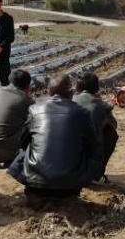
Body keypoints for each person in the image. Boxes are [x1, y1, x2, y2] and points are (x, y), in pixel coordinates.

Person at [7, 75, 100, 204]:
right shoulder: (82, 113)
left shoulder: (35, 109)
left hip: (36, 183)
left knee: (29, 146)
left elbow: (22, 141)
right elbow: (93, 146)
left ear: (49, 92)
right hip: (69, 185)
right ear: (71, 93)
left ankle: (36, 192)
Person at [72, 72, 118, 183]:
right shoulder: (100, 105)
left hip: (63, 161)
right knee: (111, 134)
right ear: (96, 88)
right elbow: (114, 125)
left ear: (77, 86)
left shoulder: (70, 99)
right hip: (87, 164)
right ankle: (97, 173)